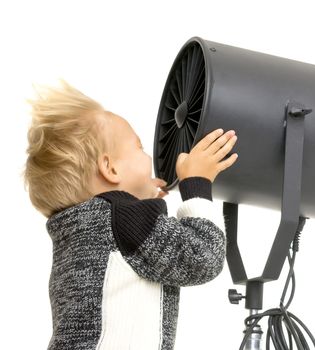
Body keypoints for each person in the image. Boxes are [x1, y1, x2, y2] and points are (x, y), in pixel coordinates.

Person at [21, 79, 239, 350]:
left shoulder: (81, 233)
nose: (147, 157)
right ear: (110, 169)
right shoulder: (123, 219)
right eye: (138, 147)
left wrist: (143, 202)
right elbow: (203, 258)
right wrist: (197, 182)